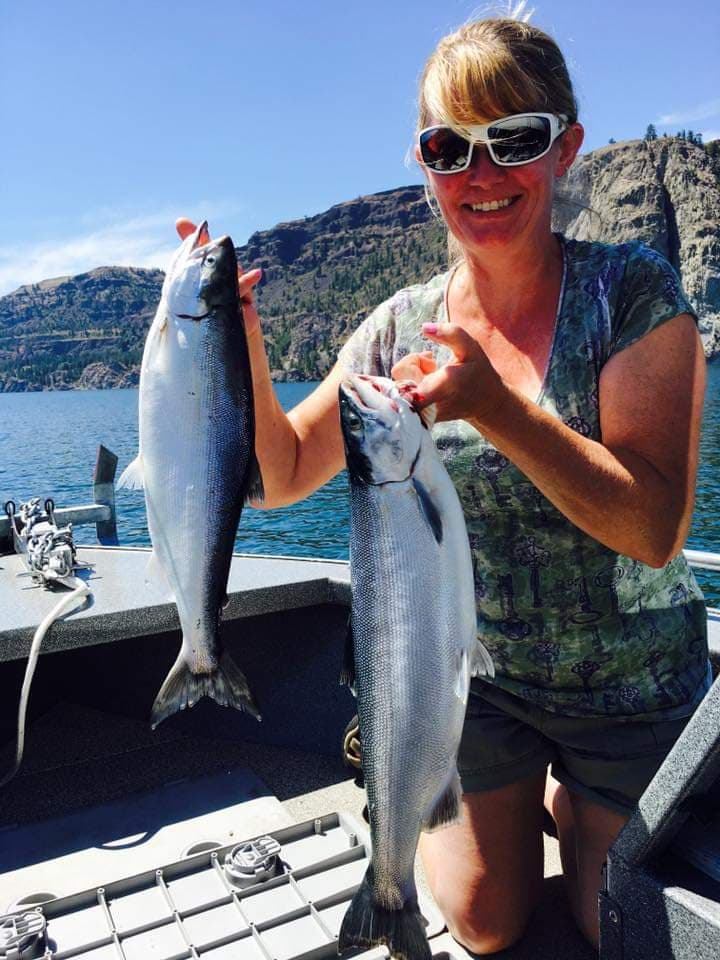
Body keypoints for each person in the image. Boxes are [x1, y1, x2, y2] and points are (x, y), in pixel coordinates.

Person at [177, 15, 709, 953]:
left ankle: (575, 801)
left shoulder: (634, 295)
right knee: (482, 922)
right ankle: (544, 799)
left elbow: (655, 528)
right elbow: (283, 470)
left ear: (565, 150)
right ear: (424, 166)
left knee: (615, 922)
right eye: (448, 147)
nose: (481, 174)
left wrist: (494, 406)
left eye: (515, 140)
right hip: (473, 685)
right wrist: (240, 339)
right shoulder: (395, 329)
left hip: (631, 682)